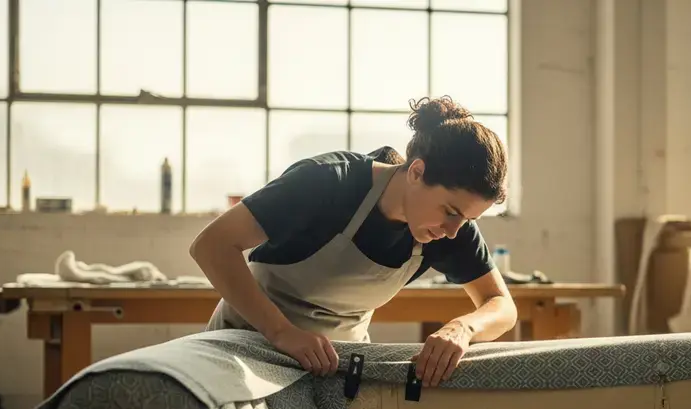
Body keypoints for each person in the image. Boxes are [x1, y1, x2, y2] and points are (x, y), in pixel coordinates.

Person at [190, 95, 517, 387]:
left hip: (335, 363)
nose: (453, 231)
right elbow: (211, 245)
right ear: (416, 172)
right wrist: (282, 332)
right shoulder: (327, 182)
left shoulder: (448, 228)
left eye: (468, 220)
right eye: (450, 211)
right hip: (248, 345)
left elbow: (501, 305)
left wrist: (463, 329)